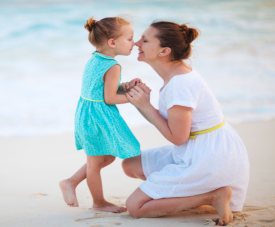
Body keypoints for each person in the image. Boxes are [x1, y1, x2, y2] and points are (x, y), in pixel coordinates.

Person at [122, 21, 249, 225]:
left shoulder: (180, 83)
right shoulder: (175, 74)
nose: (137, 43)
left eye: (145, 40)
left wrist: (146, 107)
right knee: (131, 166)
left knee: (135, 206)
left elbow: (178, 138)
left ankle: (211, 197)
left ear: (164, 51)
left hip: (209, 158)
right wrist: (140, 101)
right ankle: (186, 194)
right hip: (201, 147)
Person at [59, 16, 146, 213]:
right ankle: (98, 202)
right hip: (98, 118)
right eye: (130, 39)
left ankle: (71, 181)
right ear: (112, 43)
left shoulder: (95, 58)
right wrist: (134, 96)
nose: (135, 43)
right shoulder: (113, 66)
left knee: (106, 158)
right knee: (96, 163)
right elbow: (110, 98)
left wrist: (125, 86)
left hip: (87, 114)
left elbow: (101, 89)